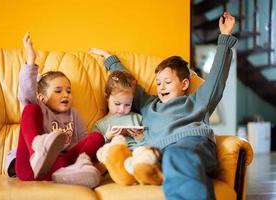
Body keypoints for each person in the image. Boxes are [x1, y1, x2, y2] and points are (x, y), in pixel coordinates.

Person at [90, 12, 236, 199]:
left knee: (177, 157)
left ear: (184, 84)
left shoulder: (197, 101)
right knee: (151, 162)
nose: (161, 87)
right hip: (159, 154)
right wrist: (110, 60)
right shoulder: (149, 104)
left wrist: (225, 38)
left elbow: (217, 78)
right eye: (158, 83)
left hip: (191, 144)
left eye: (167, 82)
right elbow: (129, 84)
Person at [14, 32, 105, 188]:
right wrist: (31, 61)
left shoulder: (73, 114)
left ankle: (73, 172)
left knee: (97, 137)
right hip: (29, 167)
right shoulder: (39, 107)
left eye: (68, 91)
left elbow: (83, 143)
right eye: (58, 91)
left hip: (61, 167)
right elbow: (27, 92)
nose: (66, 94)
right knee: (30, 109)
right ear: (42, 98)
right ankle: (37, 152)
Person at [92, 70, 145, 150]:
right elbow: (93, 148)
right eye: (117, 104)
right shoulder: (100, 125)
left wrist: (140, 138)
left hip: (136, 155)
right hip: (115, 156)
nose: (122, 109)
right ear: (107, 97)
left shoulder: (138, 118)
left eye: (127, 105)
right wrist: (107, 138)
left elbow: (149, 143)